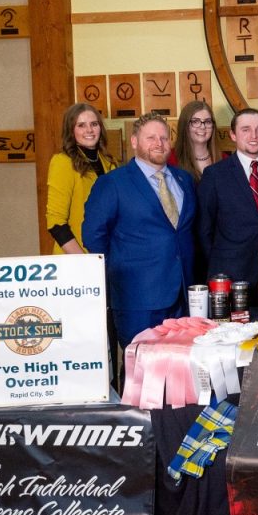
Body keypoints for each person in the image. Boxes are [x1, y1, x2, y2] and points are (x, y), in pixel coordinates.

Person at [83, 112, 197, 349]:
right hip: (136, 298)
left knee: (179, 368)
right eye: (151, 138)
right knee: (140, 371)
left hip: (181, 295)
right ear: (134, 141)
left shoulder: (183, 179)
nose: (159, 143)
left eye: (164, 138)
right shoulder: (113, 183)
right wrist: (121, 268)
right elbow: (93, 236)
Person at [197, 108, 258, 292]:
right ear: (233, 134)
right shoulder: (215, 175)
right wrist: (217, 267)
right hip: (228, 276)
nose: (254, 135)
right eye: (245, 129)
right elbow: (203, 229)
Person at [46, 103, 118, 254]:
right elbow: (56, 222)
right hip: (76, 259)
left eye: (94, 124)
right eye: (81, 125)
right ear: (71, 130)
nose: (89, 130)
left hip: (106, 256)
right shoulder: (63, 162)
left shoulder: (110, 163)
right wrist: (83, 262)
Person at [170, 100, 219, 181]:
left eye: (207, 122)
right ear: (184, 125)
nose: (203, 127)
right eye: (195, 121)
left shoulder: (225, 160)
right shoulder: (170, 159)